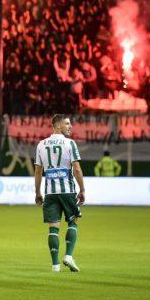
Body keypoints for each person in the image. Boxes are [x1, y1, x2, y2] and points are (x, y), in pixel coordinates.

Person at [34, 114, 85, 272]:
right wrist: (82, 189)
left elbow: (38, 171)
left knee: (53, 228)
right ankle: (68, 256)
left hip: (50, 193)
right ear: (57, 126)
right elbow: (76, 169)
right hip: (67, 190)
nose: (70, 126)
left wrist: (37, 192)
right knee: (73, 221)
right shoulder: (70, 143)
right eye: (67, 123)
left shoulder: (41, 145)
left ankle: (55, 265)